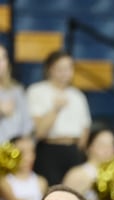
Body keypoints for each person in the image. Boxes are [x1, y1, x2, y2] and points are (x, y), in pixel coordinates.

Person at [26, 51, 91, 185]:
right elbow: (39, 131)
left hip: (73, 150)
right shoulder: (36, 91)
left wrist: (78, 151)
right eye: (60, 69)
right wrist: (55, 109)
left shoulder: (78, 95)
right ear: (49, 69)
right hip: (49, 149)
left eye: (68, 68)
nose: (64, 73)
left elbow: (85, 128)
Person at [0, 44, 33, 142]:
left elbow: (27, 124)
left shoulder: (16, 90)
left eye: (3, 58)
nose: (0, 63)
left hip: (14, 151)